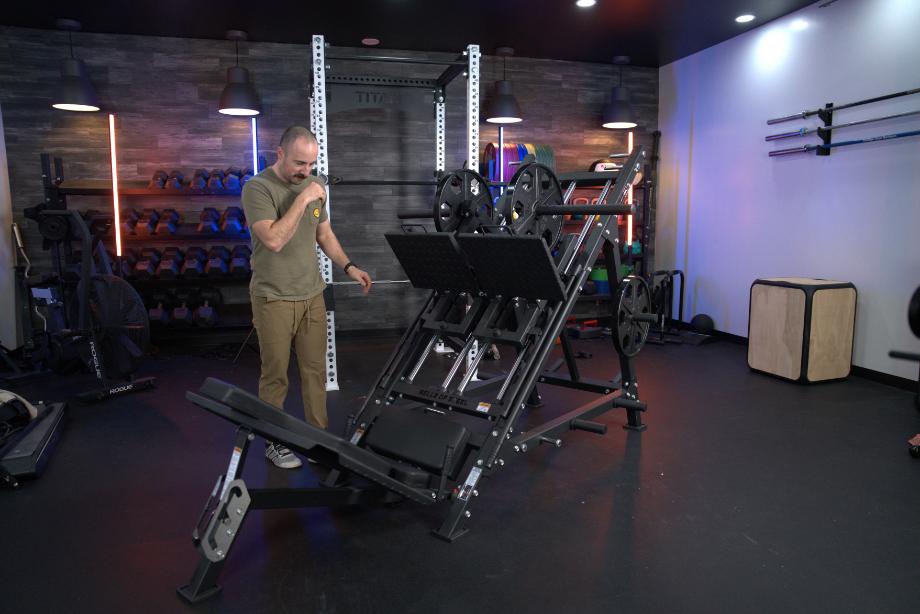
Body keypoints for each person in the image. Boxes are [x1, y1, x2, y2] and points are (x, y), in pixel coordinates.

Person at [241, 125, 372, 469]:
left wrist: (349, 266)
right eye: (299, 163)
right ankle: (274, 443)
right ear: (279, 153)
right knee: (276, 375)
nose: (306, 172)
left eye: (311, 165)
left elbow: (323, 233)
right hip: (274, 298)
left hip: (312, 294)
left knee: (315, 372)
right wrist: (302, 198)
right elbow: (274, 239)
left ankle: (319, 439)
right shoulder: (257, 189)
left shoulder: (316, 185)